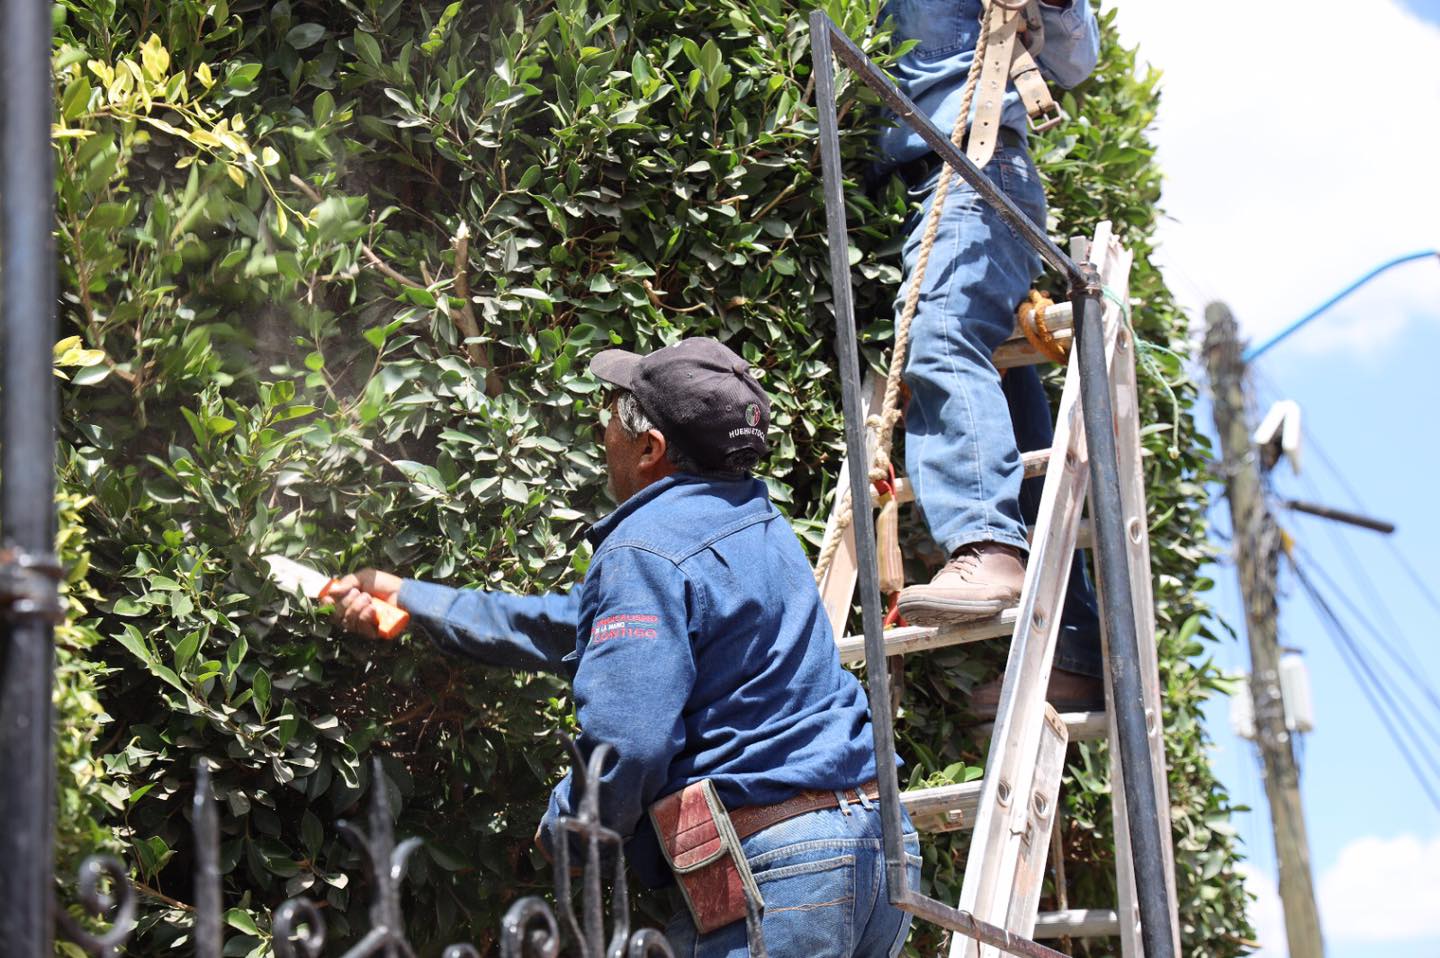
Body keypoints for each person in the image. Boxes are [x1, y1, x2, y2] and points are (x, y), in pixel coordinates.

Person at [330, 337, 921, 958]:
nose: (600, 425)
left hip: (782, 869)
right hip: (880, 850)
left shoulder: (642, 549)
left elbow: (629, 738)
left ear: (651, 449)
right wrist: (413, 599)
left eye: (614, 410)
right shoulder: (759, 524)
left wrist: (570, 828)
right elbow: (572, 629)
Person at [879, 0, 1107, 715]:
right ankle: (1074, 647)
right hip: (914, 188)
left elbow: (1077, 55)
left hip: (975, 166)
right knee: (1008, 400)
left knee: (941, 335)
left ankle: (986, 546)